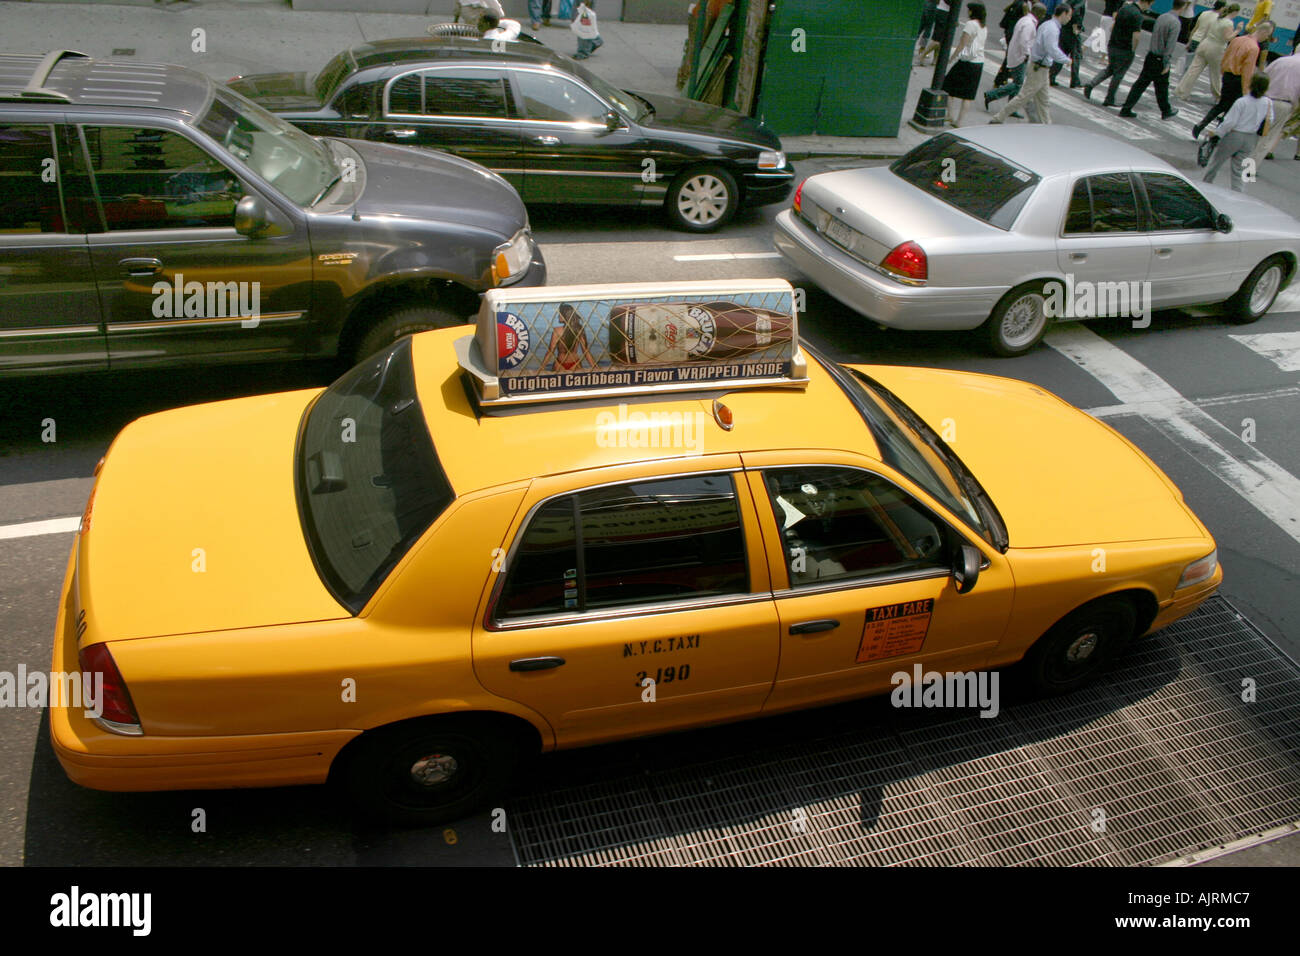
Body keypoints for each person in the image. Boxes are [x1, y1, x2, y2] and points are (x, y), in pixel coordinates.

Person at [991, 2, 1074, 123]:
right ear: (1064, 14)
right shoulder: (1052, 29)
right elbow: (1051, 48)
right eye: (1069, 15)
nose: (1069, 18)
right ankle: (998, 118)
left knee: (1043, 101)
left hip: (1041, 67)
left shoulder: (1048, 25)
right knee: (1023, 97)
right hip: (1039, 67)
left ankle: (1046, 125)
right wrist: (1066, 60)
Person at [1194, 20, 1273, 137]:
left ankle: (1202, 124)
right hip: (1238, 79)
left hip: (1227, 75)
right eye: (1268, 35)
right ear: (1263, 32)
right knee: (1231, 108)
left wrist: (1223, 71)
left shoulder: (1237, 39)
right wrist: (1246, 89)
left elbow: (1225, 56)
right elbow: (1248, 70)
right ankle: (1217, 133)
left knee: (1222, 103)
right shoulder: (1254, 48)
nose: (1267, 38)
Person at [1204, 72, 1273, 189]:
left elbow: (1229, 122)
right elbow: (1270, 119)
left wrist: (1217, 133)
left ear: (1251, 84)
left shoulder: (1242, 101)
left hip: (1234, 135)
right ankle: (1238, 193)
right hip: (1251, 138)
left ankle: (1205, 186)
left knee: (1216, 164)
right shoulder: (1268, 102)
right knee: (1239, 170)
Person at [1119, 0, 1186, 119]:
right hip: (1160, 58)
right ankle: (1165, 110)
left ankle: (1128, 107)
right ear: (1184, 7)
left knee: (1144, 83)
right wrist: (1167, 62)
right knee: (1161, 86)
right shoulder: (1175, 23)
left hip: (1151, 55)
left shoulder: (1162, 16)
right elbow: (1170, 45)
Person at [1085, 0, 1151, 107]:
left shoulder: (1124, 8)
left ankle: (1091, 84)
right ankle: (1109, 98)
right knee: (1118, 74)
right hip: (1125, 48)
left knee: (1110, 68)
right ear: (1147, 3)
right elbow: (1136, 36)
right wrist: (1133, 49)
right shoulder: (1137, 16)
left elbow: (1112, 27)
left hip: (1113, 44)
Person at [987, 2, 1042, 112]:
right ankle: (992, 95)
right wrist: (1026, 54)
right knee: (1018, 83)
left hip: (1015, 51)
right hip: (1020, 55)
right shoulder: (1028, 22)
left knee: (1017, 81)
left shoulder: (1026, 17)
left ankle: (1011, 107)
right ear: (1039, 13)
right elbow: (1024, 41)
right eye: (1043, 14)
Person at [1178, 3, 1240, 99]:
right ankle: (1219, 96)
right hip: (1216, 47)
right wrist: (1237, 30)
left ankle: (1182, 91)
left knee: (1193, 70)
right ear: (1235, 12)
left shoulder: (1217, 18)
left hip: (1205, 43)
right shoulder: (1229, 23)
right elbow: (1227, 38)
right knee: (1215, 74)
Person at [942, 3, 989, 126]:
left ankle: (950, 115)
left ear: (973, 12)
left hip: (966, 62)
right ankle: (959, 121)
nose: (967, 12)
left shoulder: (970, 24)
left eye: (969, 10)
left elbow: (962, 44)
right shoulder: (983, 27)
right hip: (978, 63)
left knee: (947, 85)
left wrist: (952, 58)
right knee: (968, 95)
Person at [1252, 48, 1300, 159]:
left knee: (1254, 130)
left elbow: (1263, 76)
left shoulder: (1281, 60)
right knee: (1268, 137)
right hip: (1284, 104)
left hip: (1265, 99)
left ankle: (1242, 158)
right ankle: (1250, 167)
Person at [542, 305, 597, 372]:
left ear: (565, 316)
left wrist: (541, 369)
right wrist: (595, 368)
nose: (558, 316)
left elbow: (550, 352)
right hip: (575, 364)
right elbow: (586, 351)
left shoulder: (557, 331)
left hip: (559, 364)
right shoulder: (579, 330)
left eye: (560, 314)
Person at [1051, 0, 1088, 88]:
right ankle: (1075, 81)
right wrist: (1077, 25)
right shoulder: (1081, 1)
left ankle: (1051, 76)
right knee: (1076, 55)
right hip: (1072, 30)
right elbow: (1076, 12)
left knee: (1062, 52)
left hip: (1065, 28)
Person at [918, 1, 956, 66]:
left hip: (941, 10)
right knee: (938, 39)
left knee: (939, 37)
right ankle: (923, 54)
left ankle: (935, 59)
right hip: (944, 12)